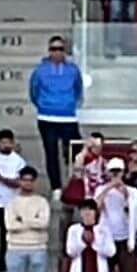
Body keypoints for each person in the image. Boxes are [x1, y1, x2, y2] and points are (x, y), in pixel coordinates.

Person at [28, 38, 82, 185]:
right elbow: (33, 92)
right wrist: (43, 105)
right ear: (49, 51)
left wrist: (69, 104)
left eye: (60, 49)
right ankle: (56, 187)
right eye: (53, 49)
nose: (57, 52)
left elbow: (78, 89)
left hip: (68, 117)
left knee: (75, 152)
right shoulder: (40, 70)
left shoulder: (73, 70)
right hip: (47, 117)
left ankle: (75, 183)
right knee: (51, 153)